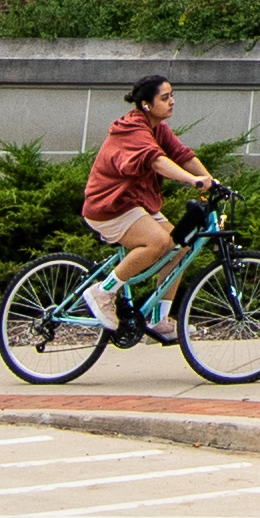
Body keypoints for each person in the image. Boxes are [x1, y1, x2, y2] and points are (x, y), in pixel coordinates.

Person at [81, 75, 220, 337]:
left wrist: (212, 182)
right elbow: (156, 161)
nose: (172, 102)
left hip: (135, 202)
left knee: (179, 247)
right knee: (158, 242)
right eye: (165, 98)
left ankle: (159, 320)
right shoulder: (132, 129)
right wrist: (192, 180)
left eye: (172, 96)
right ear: (146, 104)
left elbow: (182, 155)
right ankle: (102, 292)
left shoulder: (158, 128)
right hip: (110, 205)